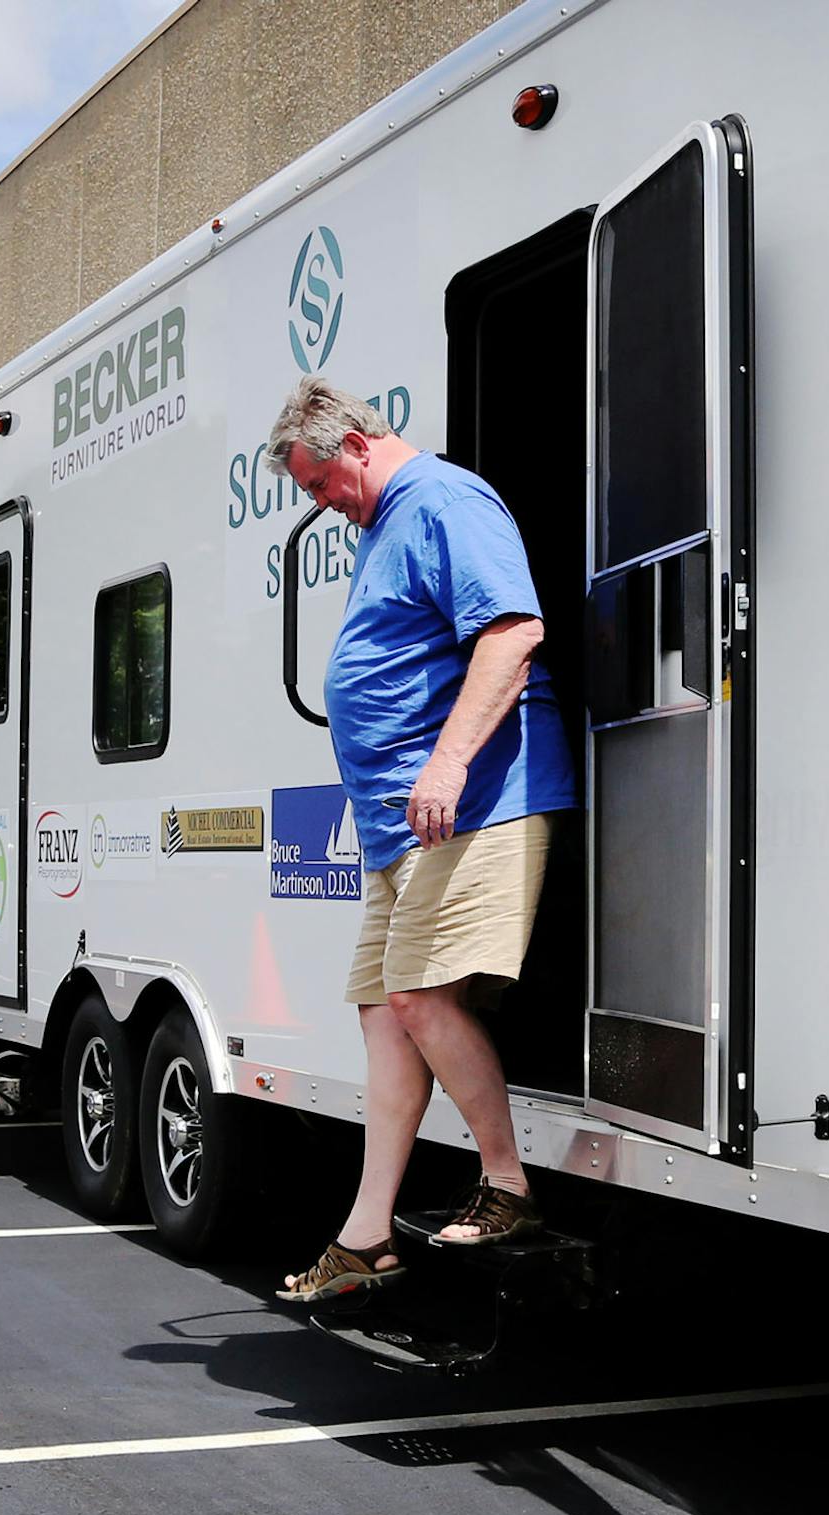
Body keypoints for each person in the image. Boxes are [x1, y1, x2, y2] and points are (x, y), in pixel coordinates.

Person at [266, 376, 579, 1304]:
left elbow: (512, 631)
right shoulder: (384, 525)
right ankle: (367, 1239)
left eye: (321, 485)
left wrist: (442, 768)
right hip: (398, 829)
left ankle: (510, 1187)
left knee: (418, 997)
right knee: (382, 1009)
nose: (322, 507)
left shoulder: (442, 498)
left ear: (356, 444)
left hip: (475, 799)